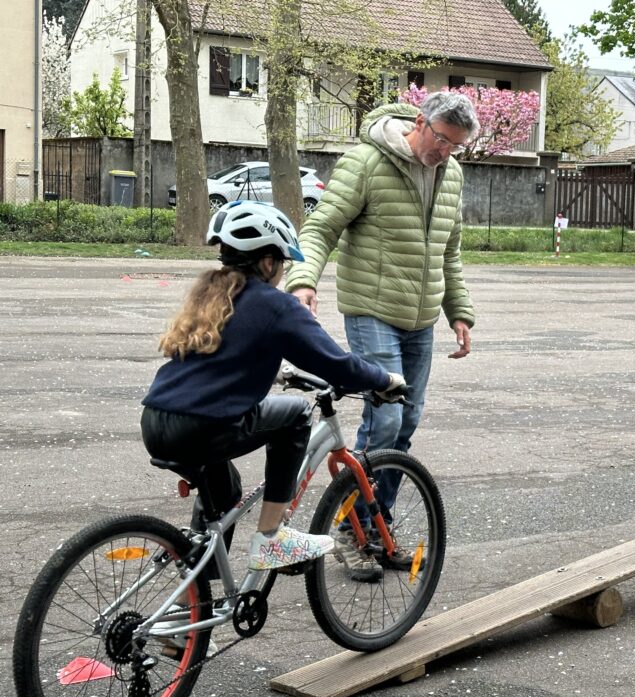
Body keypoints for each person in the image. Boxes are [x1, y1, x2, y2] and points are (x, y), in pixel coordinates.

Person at [140, 201, 406, 574]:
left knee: (225, 496)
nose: (282, 271)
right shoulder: (276, 305)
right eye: (282, 261)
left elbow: (221, 357)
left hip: (157, 421)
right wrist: (385, 380)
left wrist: (273, 370)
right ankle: (271, 538)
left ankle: (193, 613)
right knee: (296, 413)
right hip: (204, 424)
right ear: (268, 262)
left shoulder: (212, 296)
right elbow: (336, 363)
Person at [284, 92, 477, 579]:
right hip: (371, 308)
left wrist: (460, 312)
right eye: (441, 140)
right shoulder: (366, 162)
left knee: (406, 422)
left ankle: (377, 524)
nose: (445, 153)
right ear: (420, 122)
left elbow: (448, 253)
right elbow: (322, 226)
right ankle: (353, 531)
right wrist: (303, 280)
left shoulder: (450, 174)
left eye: (456, 146)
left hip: (421, 317)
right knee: (386, 417)